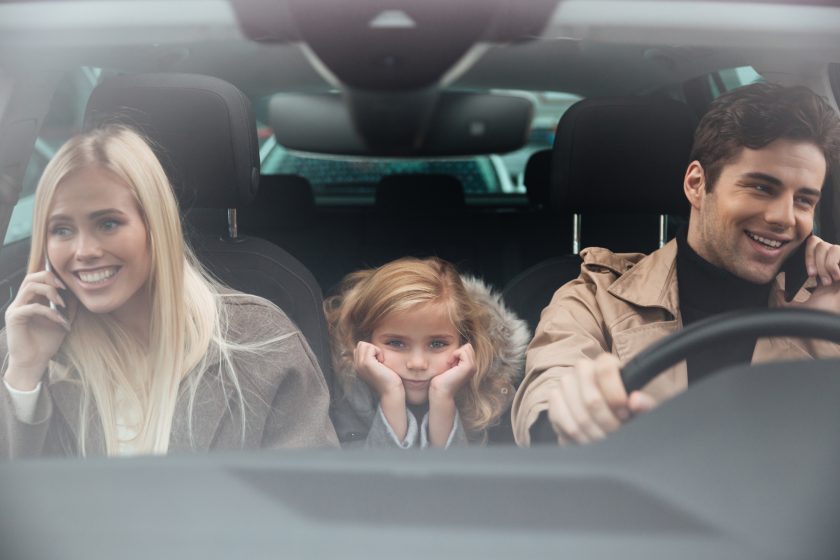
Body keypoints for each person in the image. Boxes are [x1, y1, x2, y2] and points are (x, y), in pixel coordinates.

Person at [512, 82, 840, 446]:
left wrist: (824, 332)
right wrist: (571, 414)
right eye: (762, 188)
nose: (785, 218)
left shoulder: (821, 309)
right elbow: (550, 392)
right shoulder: (593, 300)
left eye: (804, 201)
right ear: (697, 184)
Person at [0, 125, 338, 458]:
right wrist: (25, 374)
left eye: (108, 223)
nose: (84, 250)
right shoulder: (23, 348)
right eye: (61, 229)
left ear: (155, 224)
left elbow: (311, 497)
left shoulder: (260, 341)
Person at [325, 257, 529, 448]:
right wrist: (391, 395)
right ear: (365, 341)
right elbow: (374, 483)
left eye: (437, 344)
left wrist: (443, 398)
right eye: (396, 343)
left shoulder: (489, 396)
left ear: (464, 343)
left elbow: (456, 482)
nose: (417, 363)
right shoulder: (341, 396)